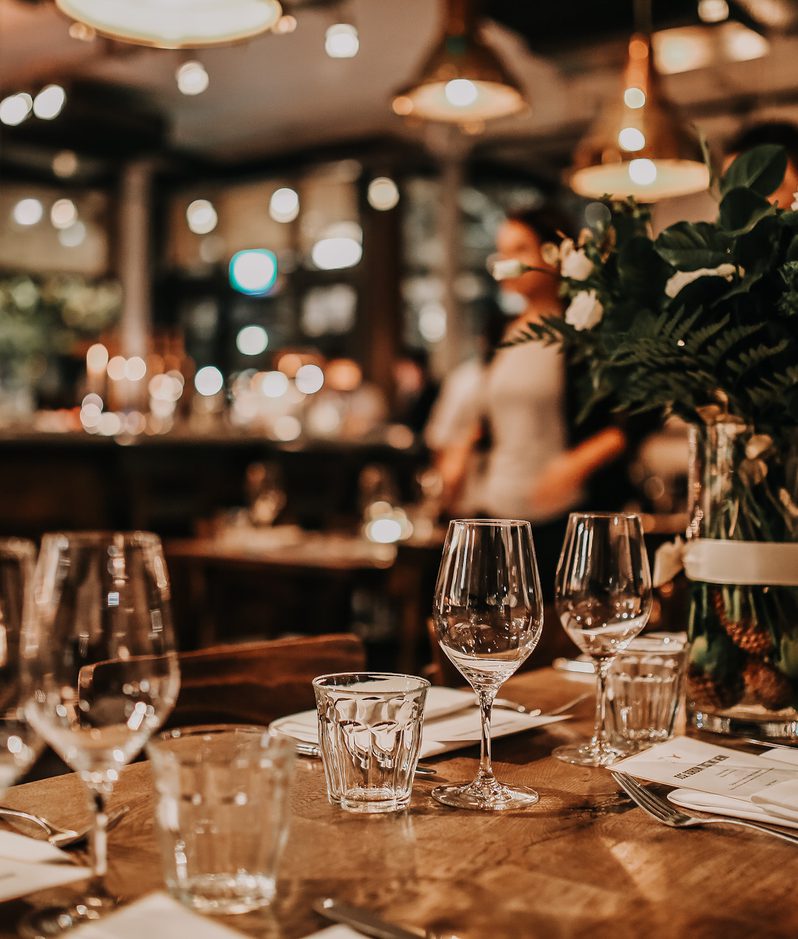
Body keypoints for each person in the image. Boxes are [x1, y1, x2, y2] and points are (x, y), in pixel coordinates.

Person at [425, 205, 634, 592]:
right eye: (502, 252)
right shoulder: (501, 333)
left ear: (553, 254)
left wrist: (574, 465)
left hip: (563, 514)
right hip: (496, 511)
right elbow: (490, 417)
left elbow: (632, 418)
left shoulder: (585, 330)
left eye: (519, 249)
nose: (506, 262)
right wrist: (460, 453)